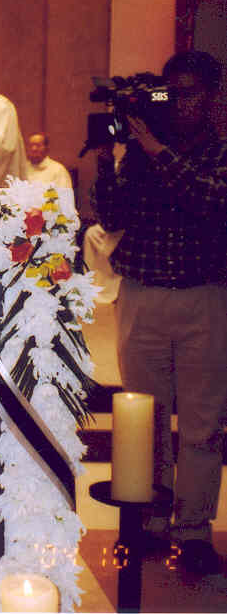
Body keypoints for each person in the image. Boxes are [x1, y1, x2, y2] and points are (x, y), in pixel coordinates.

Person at [91, 50, 227, 575]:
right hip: (142, 294)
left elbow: (210, 202)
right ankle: (149, 521)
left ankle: (193, 530)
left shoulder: (218, 151)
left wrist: (153, 147)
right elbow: (113, 217)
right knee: (142, 419)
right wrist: (107, 159)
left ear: (211, 97)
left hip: (204, 297)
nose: (179, 102)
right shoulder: (141, 154)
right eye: (172, 92)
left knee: (201, 424)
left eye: (189, 92)